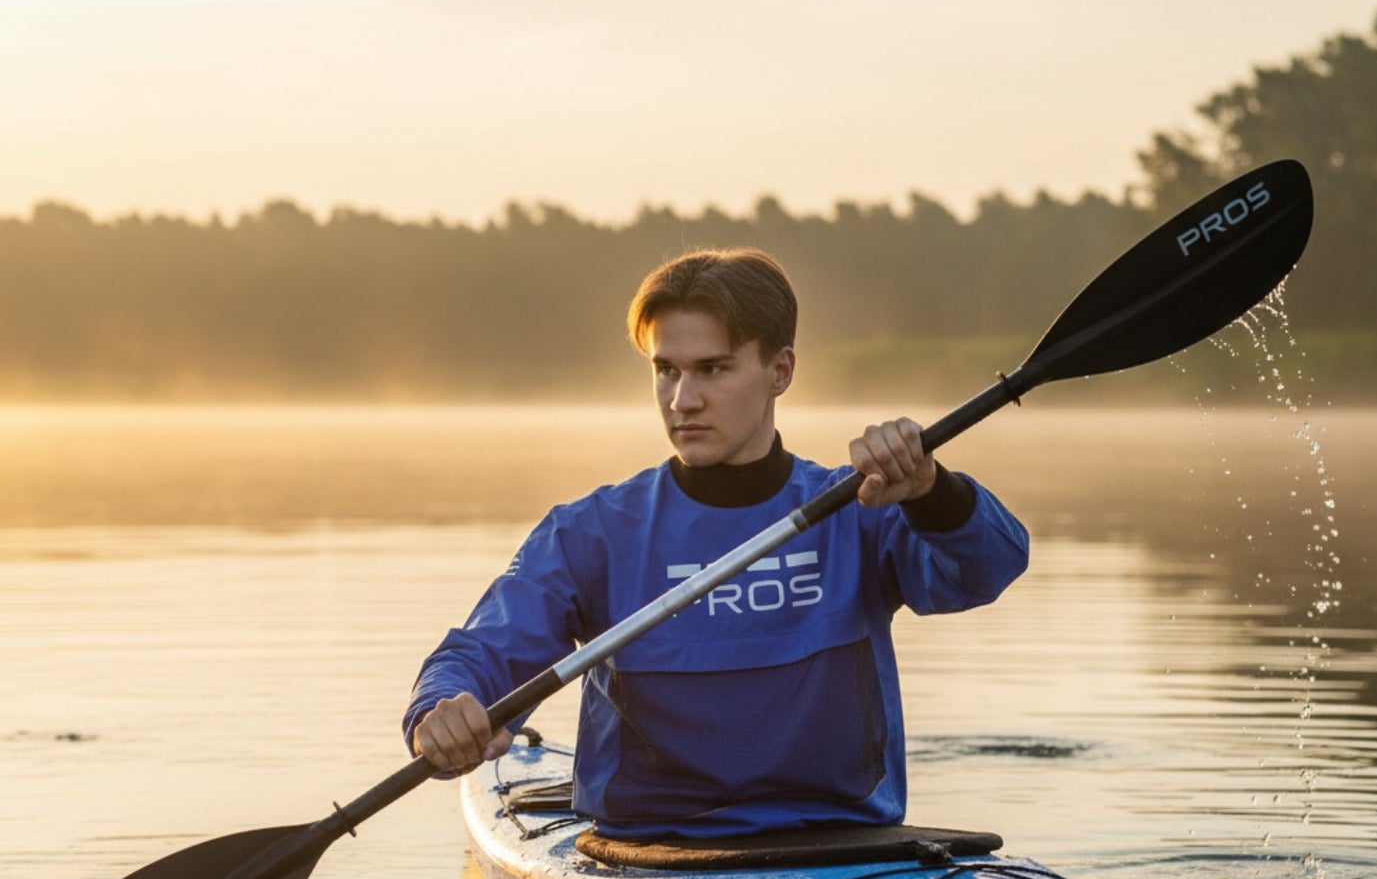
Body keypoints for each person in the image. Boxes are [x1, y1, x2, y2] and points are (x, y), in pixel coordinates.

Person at [404, 248, 1028, 840]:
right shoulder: (593, 532)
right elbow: (483, 650)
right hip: (649, 847)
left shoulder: (862, 508)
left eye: (713, 368)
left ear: (779, 370)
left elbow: (991, 567)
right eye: (666, 370)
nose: (683, 399)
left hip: (846, 843)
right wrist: (442, 711)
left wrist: (931, 490)